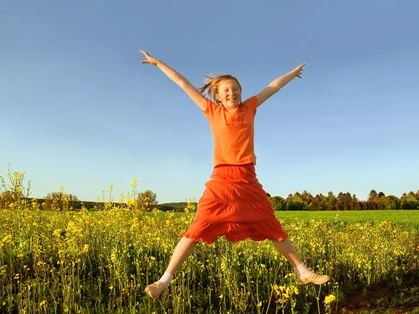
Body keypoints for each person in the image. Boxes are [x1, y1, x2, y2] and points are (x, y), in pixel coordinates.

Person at [139, 50, 330, 299]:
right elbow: (182, 82)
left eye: (236, 89)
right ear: (217, 96)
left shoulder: (250, 106)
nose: (232, 93)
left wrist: (293, 74)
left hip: (247, 178)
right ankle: (164, 281)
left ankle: (302, 271)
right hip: (221, 179)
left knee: (271, 225)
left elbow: (273, 87)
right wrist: (157, 63)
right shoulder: (211, 110)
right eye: (226, 91)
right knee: (198, 226)